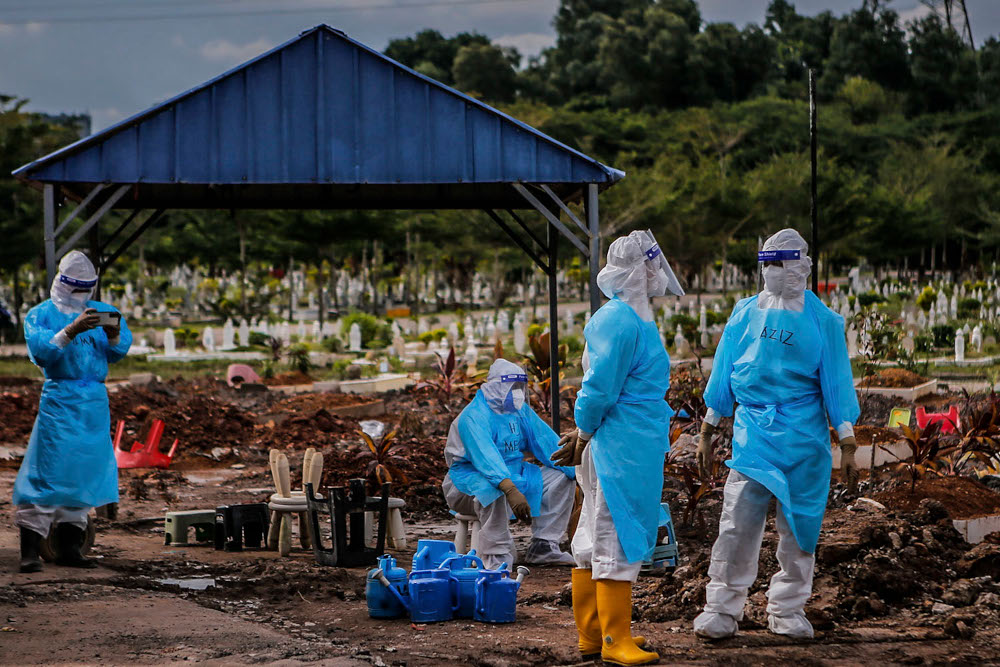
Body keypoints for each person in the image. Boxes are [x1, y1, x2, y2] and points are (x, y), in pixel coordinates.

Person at [693, 228, 859, 641]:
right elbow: (725, 368)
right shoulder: (744, 313)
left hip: (805, 438)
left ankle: (787, 607)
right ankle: (722, 607)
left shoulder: (824, 322)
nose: (772, 272)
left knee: (801, 527)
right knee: (736, 522)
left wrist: (849, 441)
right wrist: (709, 427)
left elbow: (836, 381)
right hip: (754, 434)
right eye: (766, 264)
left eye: (780, 263)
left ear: (801, 266)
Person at [553, 229, 684, 666]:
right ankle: (615, 641)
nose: (657, 273)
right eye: (650, 265)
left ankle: (594, 635)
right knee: (615, 531)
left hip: (627, 440)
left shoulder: (631, 317)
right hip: (619, 445)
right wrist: (585, 432)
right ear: (637, 269)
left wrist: (586, 433)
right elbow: (599, 387)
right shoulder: (621, 319)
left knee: (595, 531)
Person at [14, 251, 132, 572]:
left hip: (93, 402)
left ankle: (70, 547)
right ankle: (29, 550)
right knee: (47, 470)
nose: (81, 296)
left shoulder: (102, 312)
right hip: (60, 398)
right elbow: (41, 352)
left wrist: (114, 335)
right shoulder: (42, 315)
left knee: (83, 472)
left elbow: (119, 351)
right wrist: (70, 331)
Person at [442, 358, 576, 570]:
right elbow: (485, 459)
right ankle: (497, 558)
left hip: (514, 473)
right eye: (512, 387)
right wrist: (509, 488)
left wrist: (574, 467)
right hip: (468, 482)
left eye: (520, 387)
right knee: (492, 490)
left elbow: (544, 440)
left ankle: (543, 546)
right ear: (495, 385)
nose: (517, 392)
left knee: (561, 477)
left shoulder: (518, 410)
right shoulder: (474, 416)